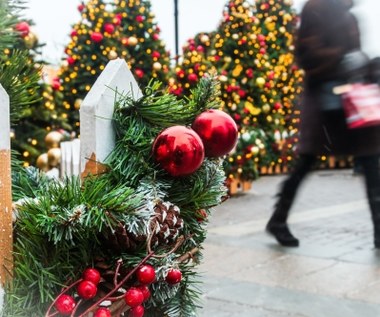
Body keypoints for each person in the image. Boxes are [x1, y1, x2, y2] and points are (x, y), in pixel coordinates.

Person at [266, 0, 380, 248]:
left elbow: (357, 53)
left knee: (372, 160)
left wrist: (365, 64)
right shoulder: (315, 8)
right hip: (324, 103)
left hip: (352, 101)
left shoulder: (350, 14)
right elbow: (306, 55)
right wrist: (341, 59)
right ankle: (278, 219)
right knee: (306, 162)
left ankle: (379, 231)